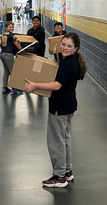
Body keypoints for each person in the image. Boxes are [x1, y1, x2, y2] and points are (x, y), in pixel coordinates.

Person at [24, 32, 87, 189]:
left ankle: (59, 177)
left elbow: (57, 85)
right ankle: (67, 171)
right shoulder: (70, 61)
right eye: (63, 44)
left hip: (60, 107)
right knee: (64, 139)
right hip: (68, 105)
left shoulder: (68, 64)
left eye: (69, 46)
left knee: (56, 142)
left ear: (76, 48)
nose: (65, 48)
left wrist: (35, 85)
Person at [0, 21, 22, 95]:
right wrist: (22, 51)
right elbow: (17, 44)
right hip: (8, 54)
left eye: (12, 27)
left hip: (2, 53)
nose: (11, 28)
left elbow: (0, 44)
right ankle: (14, 88)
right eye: (10, 27)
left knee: (6, 71)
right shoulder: (11, 35)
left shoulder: (3, 34)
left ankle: (4, 87)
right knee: (12, 71)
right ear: (6, 27)